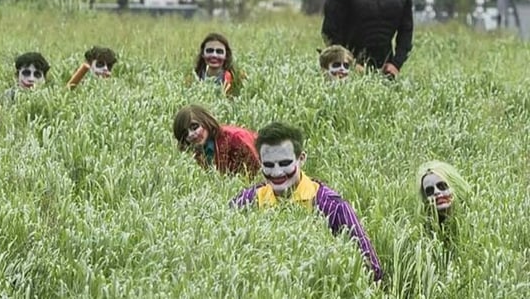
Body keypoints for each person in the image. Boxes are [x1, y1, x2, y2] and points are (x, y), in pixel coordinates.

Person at [230, 122, 384, 282]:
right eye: (268, 165)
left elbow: (371, 268)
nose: (276, 172)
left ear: (301, 159)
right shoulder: (247, 202)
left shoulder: (332, 206)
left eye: (284, 163)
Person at [172, 104, 260, 176]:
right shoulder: (199, 151)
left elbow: (258, 171)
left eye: (194, 127)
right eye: (185, 134)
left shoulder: (236, 138)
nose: (192, 135)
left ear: (205, 121)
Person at [416, 161, 470, 228]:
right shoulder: (425, 229)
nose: (436, 192)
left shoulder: (473, 218)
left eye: (442, 187)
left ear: (455, 187)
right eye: (430, 191)